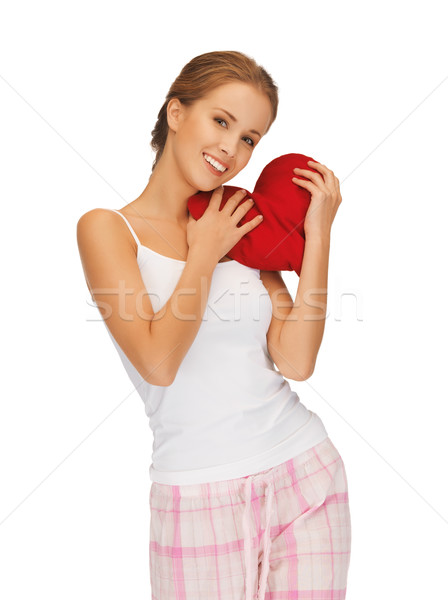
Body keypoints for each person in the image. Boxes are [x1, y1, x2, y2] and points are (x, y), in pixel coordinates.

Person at [76, 50, 351, 600]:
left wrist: (318, 235)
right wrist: (203, 256)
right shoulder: (108, 230)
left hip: (304, 471)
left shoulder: (240, 222)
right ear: (176, 113)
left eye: (250, 137)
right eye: (221, 121)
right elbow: (158, 363)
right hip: (196, 494)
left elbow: (296, 361)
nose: (231, 147)